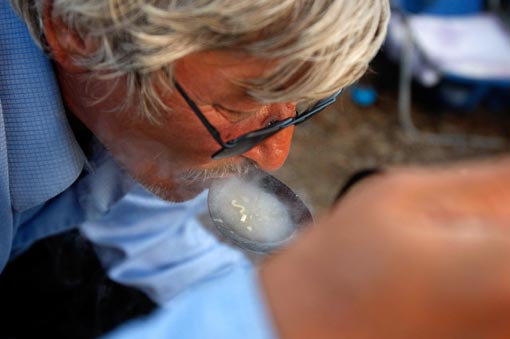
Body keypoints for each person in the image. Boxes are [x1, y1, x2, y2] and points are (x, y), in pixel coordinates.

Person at [1, 0, 510, 338]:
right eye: (243, 106)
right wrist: (313, 306)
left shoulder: (134, 112)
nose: (275, 155)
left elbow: (150, 237)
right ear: (77, 33)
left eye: (307, 103)